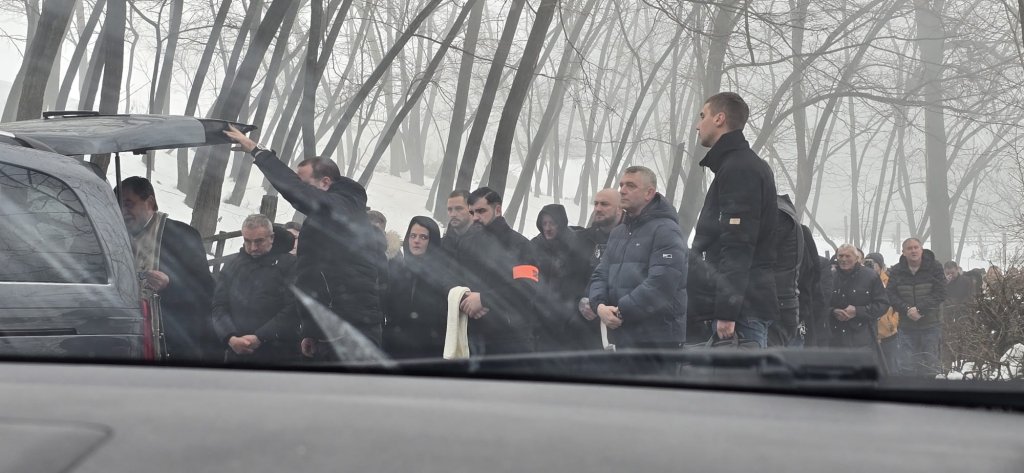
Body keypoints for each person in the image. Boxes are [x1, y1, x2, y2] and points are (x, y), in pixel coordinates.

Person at [224, 127, 387, 359]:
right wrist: (310, 331)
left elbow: (297, 192)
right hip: (327, 329)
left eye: (304, 184)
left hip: (353, 329)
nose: (299, 189)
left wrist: (258, 151)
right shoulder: (322, 216)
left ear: (325, 182)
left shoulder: (345, 206)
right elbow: (311, 276)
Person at [689, 92, 779, 348]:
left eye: (702, 116)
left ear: (719, 119)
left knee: (739, 375)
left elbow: (738, 246)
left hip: (741, 314)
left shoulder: (740, 168)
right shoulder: (736, 165)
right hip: (740, 307)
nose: (697, 125)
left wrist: (727, 311)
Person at [116, 176, 215, 361]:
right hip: (127, 338)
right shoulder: (114, 236)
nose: (123, 212)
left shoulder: (182, 236)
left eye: (129, 204)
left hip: (174, 342)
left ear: (150, 203)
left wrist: (170, 285)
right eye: (118, 206)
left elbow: (205, 291)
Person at [588, 166, 687, 349]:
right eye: (621, 185)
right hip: (622, 336)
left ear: (649, 193)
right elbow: (600, 274)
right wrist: (599, 306)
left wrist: (620, 312)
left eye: (631, 186)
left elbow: (662, 283)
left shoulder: (666, 230)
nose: (622, 190)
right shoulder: (618, 233)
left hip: (658, 341)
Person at [455, 187, 539, 355]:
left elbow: (527, 287)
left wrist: (483, 300)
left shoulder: (521, 245)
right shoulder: (465, 243)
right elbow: (455, 278)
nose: (475, 217)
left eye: (481, 211)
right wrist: (465, 298)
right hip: (472, 336)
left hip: (511, 339)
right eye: (472, 212)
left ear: (498, 210)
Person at [212, 215, 299, 363]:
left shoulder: (291, 265)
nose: (253, 247)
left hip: (278, 353)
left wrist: (261, 337)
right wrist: (230, 337)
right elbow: (218, 305)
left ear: (271, 238)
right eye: (247, 241)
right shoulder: (232, 264)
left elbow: (294, 308)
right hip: (236, 351)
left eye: (259, 241)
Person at [382, 217, 450, 359]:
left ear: (432, 242)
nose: (416, 241)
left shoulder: (442, 275)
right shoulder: (398, 269)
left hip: (428, 352)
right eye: (413, 236)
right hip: (394, 349)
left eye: (423, 237)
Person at [531, 204, 592, 351]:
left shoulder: (579, 245)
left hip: (571, 321)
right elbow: (528, 281)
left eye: (552, 223)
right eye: (544, 223)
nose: (548, 228)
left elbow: (586, 278)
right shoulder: (534, 245)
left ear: (561, 223)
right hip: (541, 319)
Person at [572, 189, 624, 350]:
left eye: (605, 204)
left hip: (618, 326)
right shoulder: (581, 239)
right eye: (596, 204)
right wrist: (578, 301)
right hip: (582, 330)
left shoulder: (633, 239)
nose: (598, 208)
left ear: (619, 209)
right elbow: (569, 278)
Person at [887, 238, 946, 377]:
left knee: (931, 365)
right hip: (906, 326)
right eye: (909, 248)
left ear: (921, 249)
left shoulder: (934, 267)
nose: (913, 251)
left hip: (931, 325)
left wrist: (919, 309)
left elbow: (941, 292)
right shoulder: (897, 270)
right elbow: (890, 294)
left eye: (916, 247)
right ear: (903, 252)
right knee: (906, 366)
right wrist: (907, 309)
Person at [828, 244, 889, 349]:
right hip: (836, 339)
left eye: (848, 256)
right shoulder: (830, 277)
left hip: (863, 340)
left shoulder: (871, 277)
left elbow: (883, 305)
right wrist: (833, 311)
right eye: (840, 256)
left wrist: (857, 311)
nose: (844, 259)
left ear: (857, 258)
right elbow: (820, 305)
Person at [866, 252, 899, 374]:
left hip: (889, 334)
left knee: (891, 369)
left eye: (873, 263)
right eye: (866, 262)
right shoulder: (863, 281)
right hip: (870, 334)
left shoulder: (889, 282)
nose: (869, 265)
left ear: (880, 266)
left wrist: (893, 323)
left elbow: (896, 304)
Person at [441, 190, 473, 256]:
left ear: (471, 210)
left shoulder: (486, 243)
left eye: (459, 209)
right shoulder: (442, 244)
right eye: (449, 209)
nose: (453, 214)